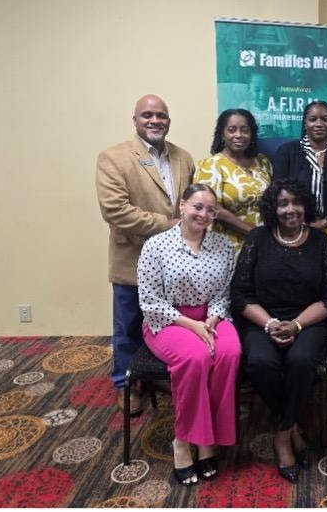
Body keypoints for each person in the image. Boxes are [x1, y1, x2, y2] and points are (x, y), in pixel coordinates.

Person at [230, 179, 327, 483]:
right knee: (260, 362)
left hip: (308, 320)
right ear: (273, 208)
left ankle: (281, 435)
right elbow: (240, 294)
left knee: (301, 360)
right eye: (283, 203)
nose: (291, 209)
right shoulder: (258, 238)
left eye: (296, 202)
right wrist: (269, 324)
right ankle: (292, 426)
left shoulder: (319, 241)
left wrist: (296, 325)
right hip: (262, 319)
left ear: (305, 205)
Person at [96, 94, 195, 415]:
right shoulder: (113, 158)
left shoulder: (183, 158)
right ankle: (126, 386)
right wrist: (168, 224)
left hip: (174, 263)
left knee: (166, 324)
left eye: (161, 115)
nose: (155, 121)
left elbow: (189, 204)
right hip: (133, 260)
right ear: (135, 120)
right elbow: (115, 211)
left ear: (169, 120)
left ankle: (156, 376)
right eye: (147, 115)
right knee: (128, 327)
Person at [137, 183, 241, 486]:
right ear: (182, 206)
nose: (203, 214)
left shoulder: (223, 245)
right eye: (197, 206)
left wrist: (211, 319)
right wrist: (193, 326)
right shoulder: (156, 245)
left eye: (211, 210)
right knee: (196, 357)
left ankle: (209, 439)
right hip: (167, 320)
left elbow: (225, 292)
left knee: (230, 352)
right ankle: (182, 441)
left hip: (211, 316)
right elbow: (150, 301)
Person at [273, 100, 327, 247]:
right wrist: (301, 221)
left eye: (325, 119)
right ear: (305, 123)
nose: (319, 124)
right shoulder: (287, 152)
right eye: (312, 119)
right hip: (294, 230)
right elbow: (277, 194)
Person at [194, 109, 272, 254]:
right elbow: (213, 208)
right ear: (222, 134)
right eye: (231, 130)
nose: (238, 135)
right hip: (228, 246)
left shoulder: (263, 162)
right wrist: (253, 232)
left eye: (245, 130)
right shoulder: (211, 165)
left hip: (265, 243)